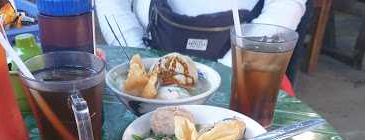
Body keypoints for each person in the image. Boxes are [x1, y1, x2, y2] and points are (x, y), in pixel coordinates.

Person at [96, 0, 313, 83]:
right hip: (150, 52)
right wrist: (139, 59)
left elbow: (286, 5)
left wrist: (231, 67)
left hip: (245, 62)